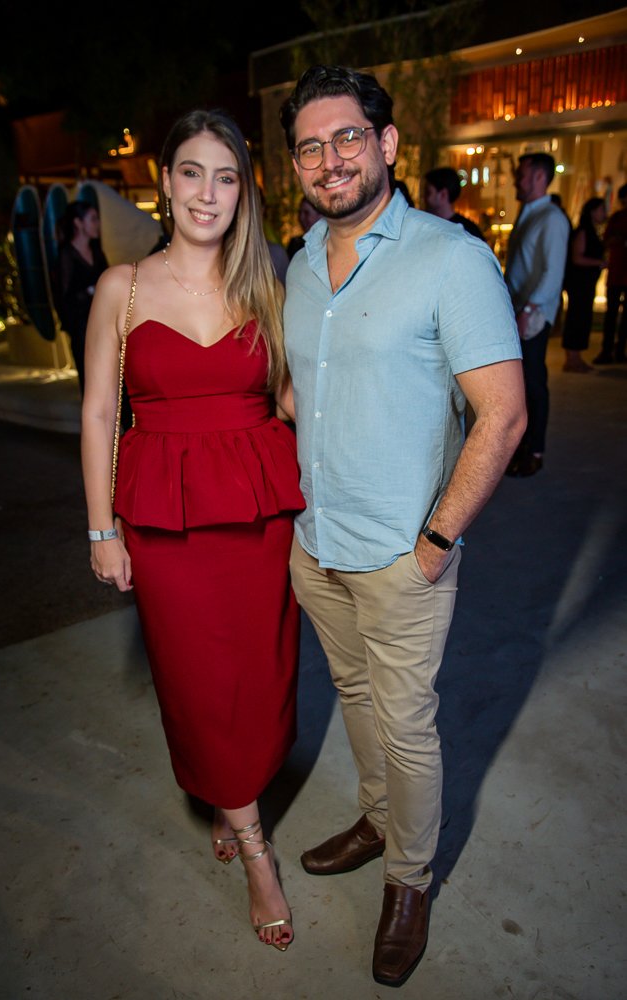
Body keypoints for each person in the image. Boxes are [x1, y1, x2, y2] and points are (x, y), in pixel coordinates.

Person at [279, 64, 526, 988]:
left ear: (386, 144)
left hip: (400, 555)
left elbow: (503, 416)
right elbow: (305, 388)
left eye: (348, 136)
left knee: (408, 724)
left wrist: (436, 542)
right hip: (318, 544)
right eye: (310, 145)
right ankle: (378, 819)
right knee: (354, 694)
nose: (329, 159)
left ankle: (410, 881)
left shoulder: (450, 258)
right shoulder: (301, 262)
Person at [81, 109, 305, 952]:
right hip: (167, 523)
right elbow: (100, 413)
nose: (207, 193)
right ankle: (256, 852)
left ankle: (230, 795)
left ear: (243, 191)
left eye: (226, 176)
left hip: (260, 514)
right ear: (164, 182)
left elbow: (289, 397)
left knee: (262, 676)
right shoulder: (123, 288)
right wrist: (100, 530)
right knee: (197, 680)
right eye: (191, 172)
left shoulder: (266, 282)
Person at [504, 153, 568, 477]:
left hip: (533, 315)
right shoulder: (530, 214)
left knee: (533, 382)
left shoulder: (552, 218)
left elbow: (552, 273)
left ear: (541, 177)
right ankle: (522, 445)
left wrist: (528, 311)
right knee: (519, 384)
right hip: (517, 310)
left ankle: (535, 450)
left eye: (523, 174)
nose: (517, 179)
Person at [55, 200, 109, 393]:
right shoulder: (66, 255)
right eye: (93, 219)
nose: (97, 224)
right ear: (78, 223)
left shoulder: (97, 252)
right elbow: (63, 297)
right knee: (91, 381)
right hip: (82, 328)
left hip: (103, 326)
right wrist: (89, 291)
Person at [561, 197, 606, 372]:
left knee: (582, 318)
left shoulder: (591, 232)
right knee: (576, 318)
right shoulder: (583, 232)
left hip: (586, 283)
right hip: (579, 283)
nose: (604, 213)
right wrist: (599, 263)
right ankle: (572, 359)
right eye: (601, 209)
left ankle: (576, 357)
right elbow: (577, 258)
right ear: (592, 212)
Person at [594, 181, 627, 364]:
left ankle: (620, 350)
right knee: (611, 314)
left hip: (620, 271)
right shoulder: (616, 218)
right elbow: (606, 241)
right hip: (616, 272)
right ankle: (607, 350)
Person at [423, 166, 486, 241]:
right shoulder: (468, 229)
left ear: (443, 195)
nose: (424, 197)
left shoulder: (468, 232)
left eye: (428, 192)